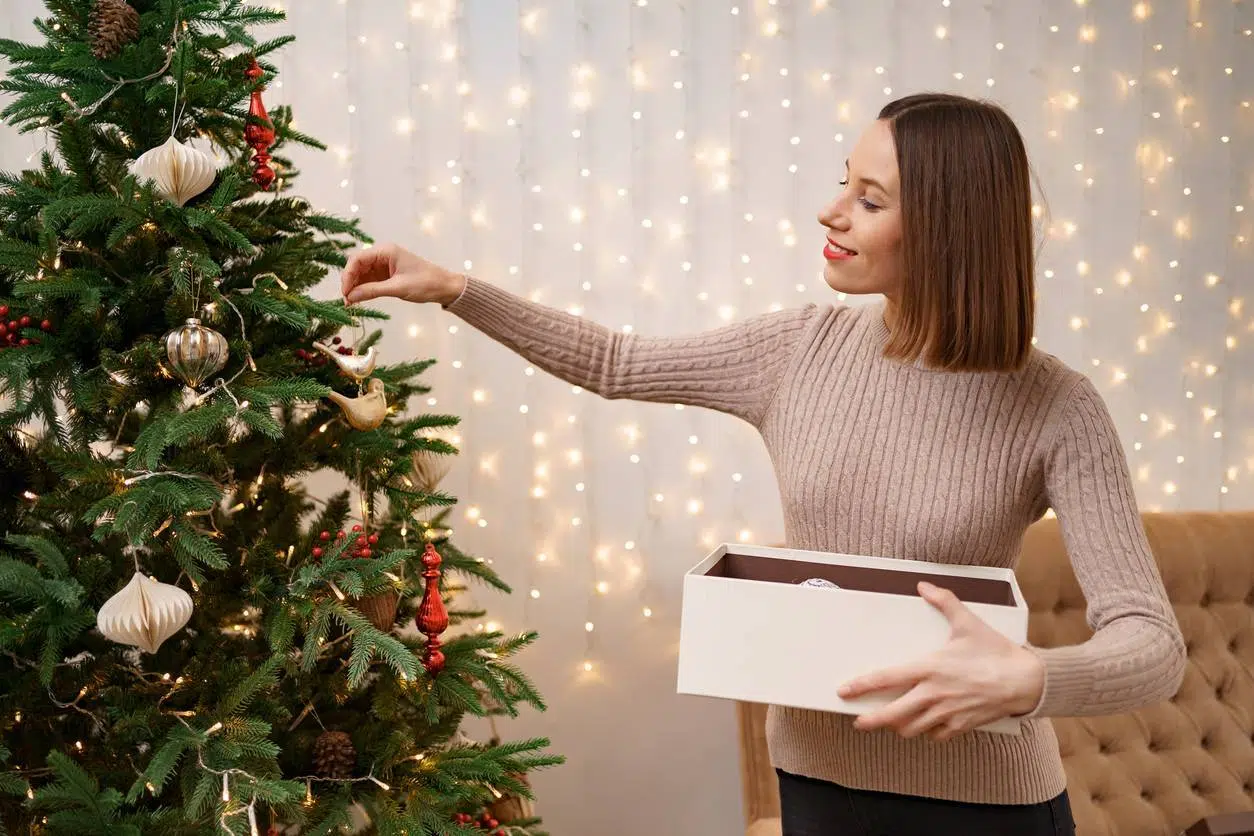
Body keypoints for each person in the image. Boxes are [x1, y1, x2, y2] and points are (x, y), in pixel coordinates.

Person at [341, 92, 1186, 836]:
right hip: (818, 784)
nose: (831, 212)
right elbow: (615, 363)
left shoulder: (1056, 406)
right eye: (842, 181)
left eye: (869, 198)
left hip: (990, 805)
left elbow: (1152, 643)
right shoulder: (798, 350)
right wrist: (455, 289)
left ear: (946, 224)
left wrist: (1029, 676)